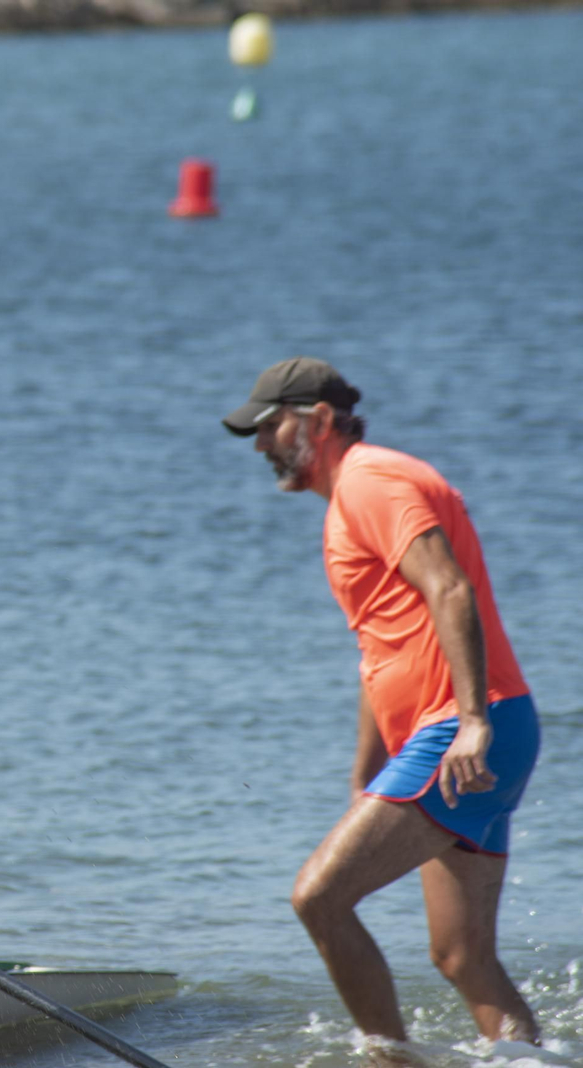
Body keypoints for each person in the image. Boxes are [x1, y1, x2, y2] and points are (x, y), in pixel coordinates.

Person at [223, 357, 541, 1050]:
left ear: (320, 421)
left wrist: (472, 723)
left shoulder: (371, 482)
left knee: (319, 898)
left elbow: (449, 589)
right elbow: (383, 648)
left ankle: (390, 1064)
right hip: (478, 728)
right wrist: (366, 769)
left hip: (463, 733)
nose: (260, 446)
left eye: (270, 427)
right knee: (462, 957)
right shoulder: (354, 496)